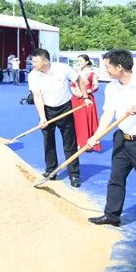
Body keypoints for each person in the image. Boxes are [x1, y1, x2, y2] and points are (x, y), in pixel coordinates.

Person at [28, 48, 92, 188]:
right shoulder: (33, 75)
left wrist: (85, 97)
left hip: (65, 108)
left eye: (35, 61)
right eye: (32, 61)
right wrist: (42, 117)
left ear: (45, 61)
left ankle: (74, 174)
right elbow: (37, 96)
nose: (33, 64)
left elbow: (79, 80)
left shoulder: (62, 68)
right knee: (48, 141)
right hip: (46, 109)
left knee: (69, 143)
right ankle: (51, 171)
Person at [87, 49, 136, 227]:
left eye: (108, 66)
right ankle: (112, 215)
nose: (105, 70)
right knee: (116, 178)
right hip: (122, 139)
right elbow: (108, 115)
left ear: (119, 67)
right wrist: (96, 136)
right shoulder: (111, 87)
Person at [71, 54, 101, 151]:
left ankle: (87, 142)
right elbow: (72, 85)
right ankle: (78, 142)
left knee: (86, 120)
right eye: (78, 61)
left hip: (87, 99)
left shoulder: (92, 74)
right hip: (76, 99)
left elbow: (96, 86)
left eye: (81, 61)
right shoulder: (76, 73)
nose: (79, 63)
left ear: (87, 62)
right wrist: (75, 92)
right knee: (76, 121)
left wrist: (88, 91)